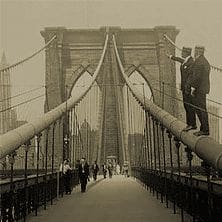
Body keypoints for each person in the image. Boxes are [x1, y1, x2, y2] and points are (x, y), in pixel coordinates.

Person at [168, 47, 196, 131]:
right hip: (185, 88)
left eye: (182, 52)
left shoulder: (191, 62)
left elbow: (190, 76)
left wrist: (188, 87)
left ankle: (192, 124)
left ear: (186, 53)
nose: (181, 53)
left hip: (188, 89)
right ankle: (190, 124)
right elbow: (180, 60)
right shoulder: (186, 60)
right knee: (186, 106)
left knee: (189, 106)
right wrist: (170, 56)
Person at [187, 46, 210, 136]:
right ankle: (203, 128)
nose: (194, 52)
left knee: (201, 109)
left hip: (199, 89)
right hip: (202, 89)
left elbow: (197, 77)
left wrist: (193, 88)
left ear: (199, 51)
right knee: (201, 108)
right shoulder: (204, 61)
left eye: (196, 50)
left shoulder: (199, 62)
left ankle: (205, 130)